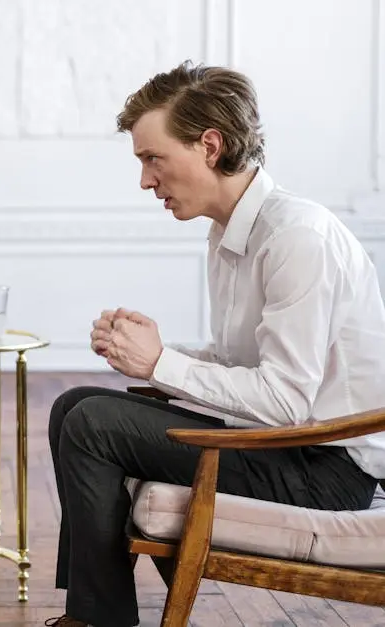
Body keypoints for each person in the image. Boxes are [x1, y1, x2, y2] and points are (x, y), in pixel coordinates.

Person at [46, 61, 385, 626]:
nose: (145, 180)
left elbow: (285, 404)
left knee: (93, 423)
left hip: (328, 467)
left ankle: (98, 621)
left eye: (153, 158)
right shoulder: (230, 231)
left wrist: (162, 364)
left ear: (209, 144)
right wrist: (157, 353)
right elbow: (242, 366)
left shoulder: (297, 236)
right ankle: (95, 614)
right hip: (285, 446)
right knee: (73, 406)